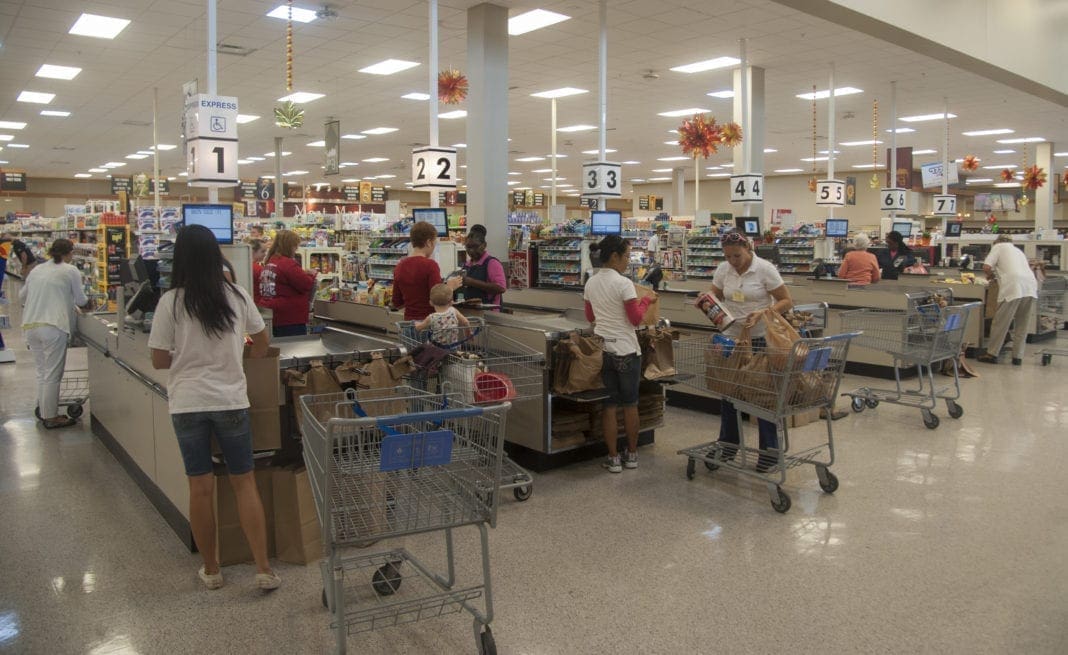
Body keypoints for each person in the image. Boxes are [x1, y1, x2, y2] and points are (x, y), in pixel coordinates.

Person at [148, 225, 280, 591]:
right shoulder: (236, 295)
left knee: (200, 487)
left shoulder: (170, 301)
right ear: (215, 255)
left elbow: (159, 360)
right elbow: (261, 345)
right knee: (244, 482)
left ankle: (212, 570)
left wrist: (187, 357)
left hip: (188, 404)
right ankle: (264, 568)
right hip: (231, 400)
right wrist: (232, 356)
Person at [708, 231, 794, 472]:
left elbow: (786, 300)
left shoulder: (764, 269)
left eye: (737, 255)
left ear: (748, 248)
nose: (733, 260)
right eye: (728, 256)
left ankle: (770, 452)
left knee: (761, 395)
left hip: (758, 339)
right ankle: (728, 444)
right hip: (730, 339)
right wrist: (707, 302)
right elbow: (713, 293)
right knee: (729, 394)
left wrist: (765, 312)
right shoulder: (724, 269)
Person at [583, 235, 656, 473]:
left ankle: (613, 458)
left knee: (610, 406)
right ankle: (632, 455)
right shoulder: (624, 284)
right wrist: (646, 301)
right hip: (626, 350)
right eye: (626, 256)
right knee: (630, 404)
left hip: (604, 350)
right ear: (614, 256)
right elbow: (636, 319)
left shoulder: (591, 283)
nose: (628, 261)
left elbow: (590, 317)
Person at [18, 239, 93, 428]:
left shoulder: (38, 269)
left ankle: (44, 410)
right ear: (70, 253)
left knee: (43, 372)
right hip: (53, 326)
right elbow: (81, 299)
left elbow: (22, 296)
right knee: (53, 374)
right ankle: (51, 417)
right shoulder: (70, 270)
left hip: (31, 326)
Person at [977, 234, 1038, 365]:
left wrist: (991, 276)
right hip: (1030, 286)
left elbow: (986, 267)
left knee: (1000, 323)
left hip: (1013, 287)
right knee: (1022, 324)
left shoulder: (998, 247)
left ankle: (992, 354)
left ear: (996, 242)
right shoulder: (1018, 250)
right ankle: (1017, 357)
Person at [393, 221, 461, 321]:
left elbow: (397, 303)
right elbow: (437, 299)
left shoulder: (399, 266)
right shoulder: (430, 266)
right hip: (428, 324)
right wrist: (450, 287)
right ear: (429, 242)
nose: (434, 248)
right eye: (434, 244)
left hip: (408, 325)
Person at [258, 229, 317, 337]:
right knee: (293, 349)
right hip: (290, 318)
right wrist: (311, 274)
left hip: (273, 313)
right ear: (289, 246)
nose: (296, 249)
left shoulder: (271, 261)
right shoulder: (288, 264)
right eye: (295, 246)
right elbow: (306, 284)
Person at [458, 230, 506, 309]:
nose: (471, 250)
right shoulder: (467, 264)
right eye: (468, 247)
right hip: (471, 310)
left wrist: (473, 282)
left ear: (484, 245)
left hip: (489, 312)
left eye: (475, 247)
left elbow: (501, 288)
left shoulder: (492, 263)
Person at [248, 238, 267, 307]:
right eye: (263, 251)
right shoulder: (258, 269)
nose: (265, 254)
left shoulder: (244, 266)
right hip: (258, 304)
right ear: (253, 251)